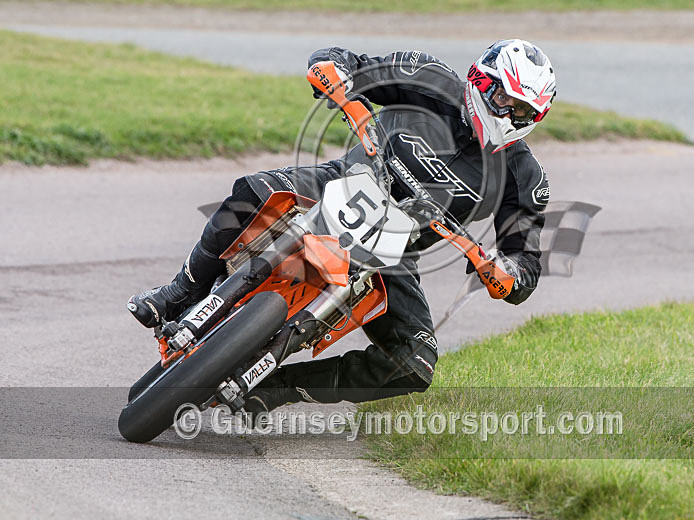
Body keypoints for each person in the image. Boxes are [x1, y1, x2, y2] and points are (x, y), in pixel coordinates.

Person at [127, 39, 555, 414]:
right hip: (344, 182)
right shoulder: (428, 77)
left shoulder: (524, 175)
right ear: (481, 80)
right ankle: (179, 292)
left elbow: (526, 263)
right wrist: (333, 73)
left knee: (415, 364)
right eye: (505, 99)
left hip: (396, 250)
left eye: (523, 111)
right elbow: (345, 61)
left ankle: (279, 388)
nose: (510, 114)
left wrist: (507, 274)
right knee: (252, 191)